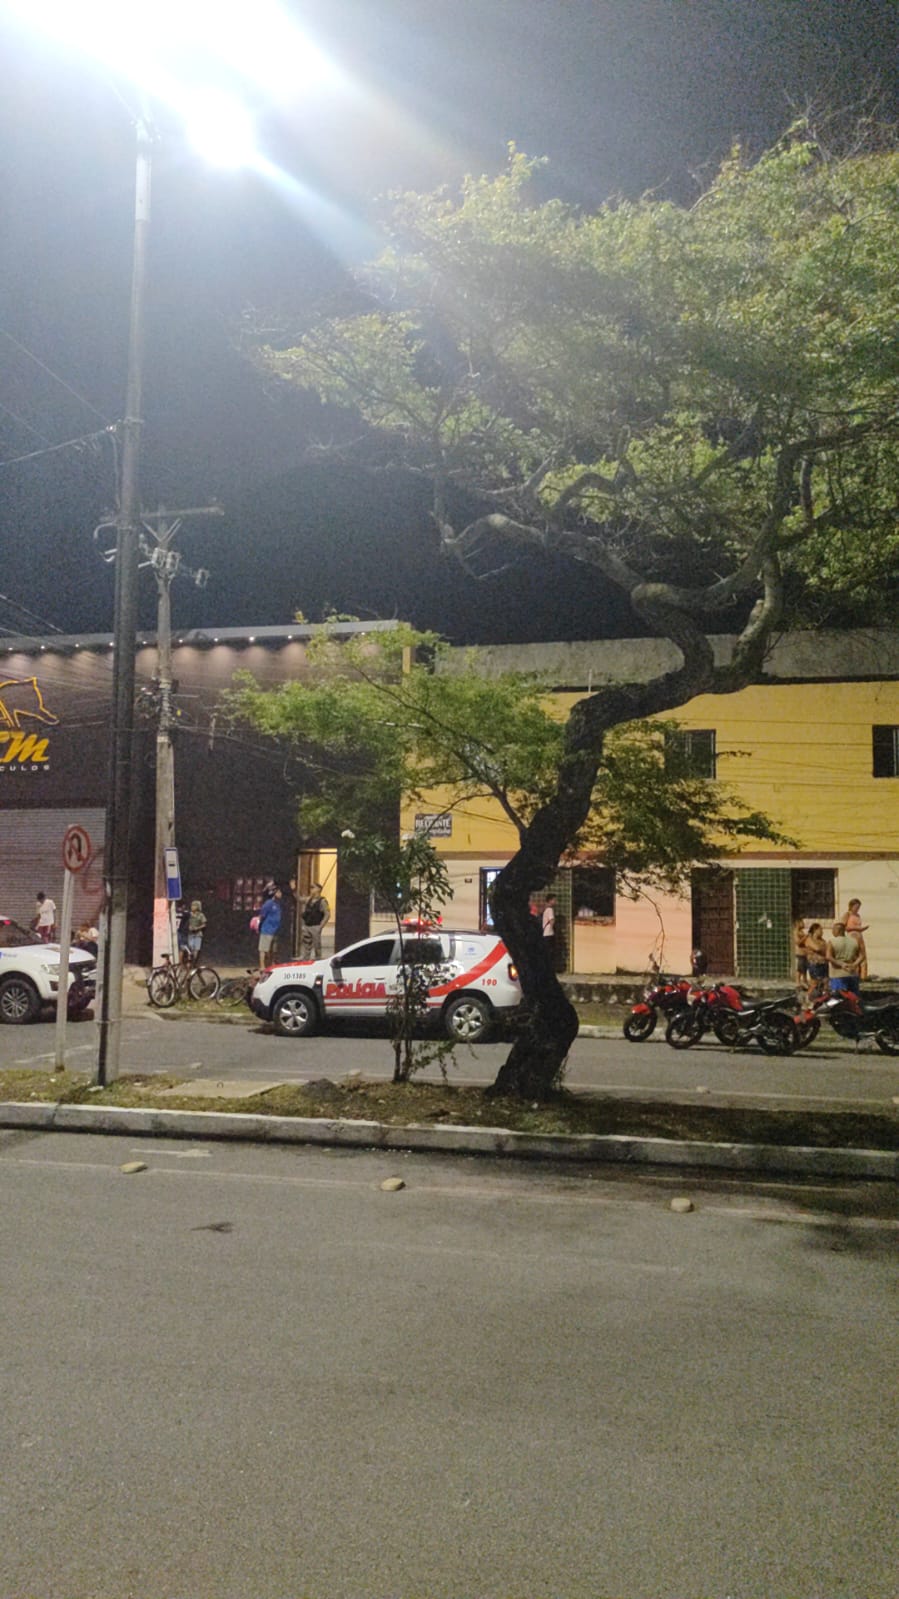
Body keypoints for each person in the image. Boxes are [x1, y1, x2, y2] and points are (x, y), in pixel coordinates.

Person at [825, 920, 861, 996]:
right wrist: (854, 964)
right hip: (852, 973)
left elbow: (828, 956)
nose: (832, 932)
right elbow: (861, 956)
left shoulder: (832, 941)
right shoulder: (854, 941)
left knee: (839, 998)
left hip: (837, 974)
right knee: (854, 998)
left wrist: (841, 964)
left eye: (833, 929)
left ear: (837, 930)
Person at [300, 882, 329, 959]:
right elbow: (299, 899)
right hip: (307, 925)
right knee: (306, 946)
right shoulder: (308, 899)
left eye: (313, 888)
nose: (311, 889)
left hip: (316, 926)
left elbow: (327, 914)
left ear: (318, 889)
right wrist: (294, 890)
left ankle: (318, 960)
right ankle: (306, 960)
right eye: (311, 888)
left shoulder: (322, 901)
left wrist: (321, 926)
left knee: (317, 946)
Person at [842, 898, 869, 980]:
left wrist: (862, 929)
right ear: (851, 906)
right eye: (856, 907)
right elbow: (843, 927)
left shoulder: (858, 915)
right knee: (853, 956)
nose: (857, 909)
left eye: (858, 907)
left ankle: (863, 976)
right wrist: (856, 928)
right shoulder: (847, 914)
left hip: (859, 936)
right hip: (851, 936)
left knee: (862, 955)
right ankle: (854, 974)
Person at [257, 886, 282, 967]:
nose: (280, 894)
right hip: (267, 929)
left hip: (275, 930)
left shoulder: (277, 904)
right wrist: (259, 925)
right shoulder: (269, 903)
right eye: (278, 892)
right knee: (263, 949)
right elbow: (262, 915)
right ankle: (262, 966)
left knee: (273, 950)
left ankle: (271, 964)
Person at [804, 921, 828, 999]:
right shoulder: (809, 939)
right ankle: (808, 999)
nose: (822, 932)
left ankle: (821, 998)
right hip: (814, 964)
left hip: (823, 963)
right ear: (815, 930)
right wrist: (823, 949)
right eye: (820, 930)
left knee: (825, 982)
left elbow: (827, 949)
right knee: (815, 983)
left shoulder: (822, 940)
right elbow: (817, 948)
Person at [187, 899, 207, 963]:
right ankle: (189, 961)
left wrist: (197, 928)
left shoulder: (201, 915)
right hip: (190, 933)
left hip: (198, 934)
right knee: (190, 947)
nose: (192, 907)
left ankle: (194, 962)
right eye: (192, 905)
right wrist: (188, 927)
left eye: (194, 905)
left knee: (196, 948)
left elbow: (204, 924)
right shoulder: (189, 914)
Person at [541, 893, 556, 967]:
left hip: (545, 933)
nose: (555, 902)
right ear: (550, 900)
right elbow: (551, 920)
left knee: (546, 952)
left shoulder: (545, 910)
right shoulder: (550, 910)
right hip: (549, 933)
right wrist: (553, 928)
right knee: (550, 952)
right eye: (554, 900)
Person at [793, 918, 808, 986]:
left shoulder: (801, 931)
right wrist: (805, 937)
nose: (803, 924)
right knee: (800, 968)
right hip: (800, 953)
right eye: (802, 922)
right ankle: (798, 982)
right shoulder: (796, 932)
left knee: (804, 968)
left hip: (805, 953)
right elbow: (798, 942)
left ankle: (804, 981)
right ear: (798, 924)